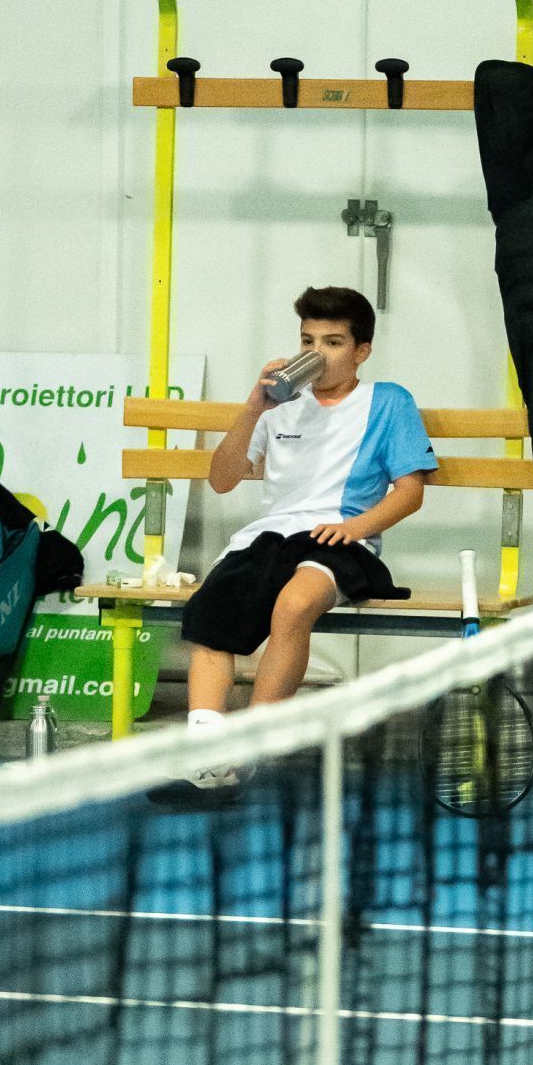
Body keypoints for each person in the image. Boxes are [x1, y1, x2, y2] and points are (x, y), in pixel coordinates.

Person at [174, 285, 435, 784]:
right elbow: (222, 480)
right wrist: (253, 407)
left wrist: (353, 528)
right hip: (268, 538)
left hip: (343, 539)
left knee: (294, 605)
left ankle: (248, 750)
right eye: (307, 341)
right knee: (208, 613)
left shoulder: (388, 401)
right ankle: (204, 758)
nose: (317, 353)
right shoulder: (278, 404)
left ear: (362, 352)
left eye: (333, 343)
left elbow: (410, 492)